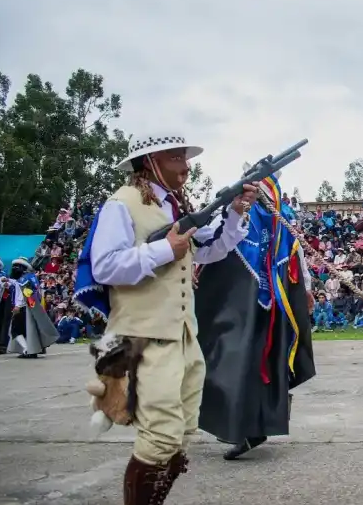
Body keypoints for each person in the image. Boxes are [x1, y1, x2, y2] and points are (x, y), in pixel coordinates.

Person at [73, 130, 257, 505]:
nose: (186, 166)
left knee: (182, 433)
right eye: (176, 158)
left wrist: (235, 212)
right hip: (143, 338)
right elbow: (104, 265)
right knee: (160, 438)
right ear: (151, 161)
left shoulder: (174, 207)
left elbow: (212, 250)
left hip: (184, 337)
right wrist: (162, 250)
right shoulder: (121, 204)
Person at [195, 171, 316, 461]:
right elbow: (213, 241)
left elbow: (296, 258)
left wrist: (307, 288)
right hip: (242, 306)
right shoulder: (240, 213)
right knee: (240, 365)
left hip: (263, 308)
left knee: (254, 366)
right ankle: (247, 427)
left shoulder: (279, 219)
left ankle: (250, 427)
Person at [6, 257, 58, 359]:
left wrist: (17, 306)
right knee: (29, 330)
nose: (15, 268)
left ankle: (26, 349)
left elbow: (24, 294)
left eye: (17, 266)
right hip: (31, 307)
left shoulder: (23, 279)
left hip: (23, 307)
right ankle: (31, 349)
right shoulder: (31, 277)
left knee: (15, 330)